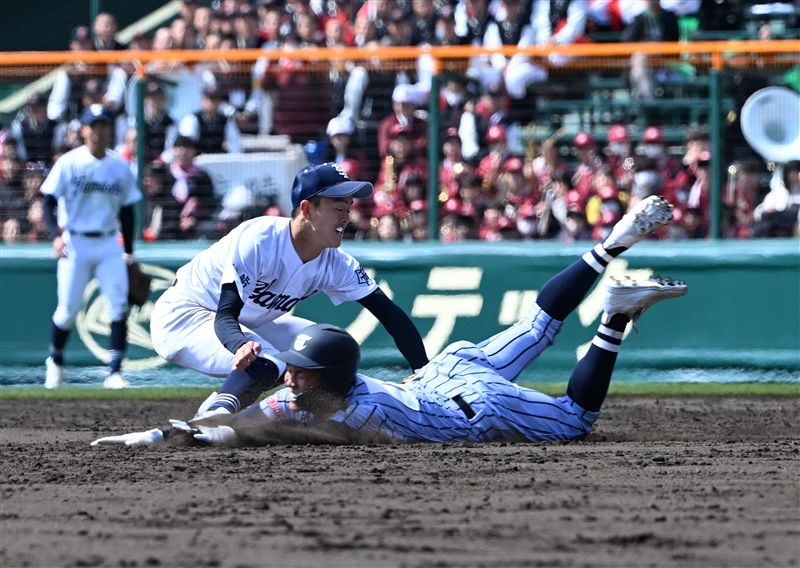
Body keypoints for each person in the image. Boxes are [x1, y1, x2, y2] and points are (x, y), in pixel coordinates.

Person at [92, 195, 684, 447]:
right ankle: (607, 249)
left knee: (576, 420)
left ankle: (610, 321)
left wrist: (163, 436)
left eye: (300, 370)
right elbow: (230, 426)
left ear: (327, 379)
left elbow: (232, 431)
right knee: (540, 325)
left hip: (474, 406)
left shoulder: (346, 409)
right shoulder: (332, 390)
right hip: (443, 372)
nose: (290, 376)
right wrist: (157, 435)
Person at [148, 162, 429, 420]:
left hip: (245, 322)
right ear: (307, 209)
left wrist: (423, 373)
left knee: (325, 351)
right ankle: (214, 414)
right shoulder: (260, 239)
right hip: (184, 317)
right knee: (268, 360)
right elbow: (225, 316)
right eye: (338, 207)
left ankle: (318, 419)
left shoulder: (335, 261)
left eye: (349, 206)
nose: (347, 216)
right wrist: (239, 345)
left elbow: (390, 315)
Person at [40, 105, 142, 389]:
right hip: (75, 242)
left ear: (111, 129)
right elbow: (47, 200)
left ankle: (114, 371)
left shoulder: (119, 166)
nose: (98, 131)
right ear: (83, 130)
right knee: (67, 311)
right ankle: (55, 361)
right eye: (93, 125)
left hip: (109, 242)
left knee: (118, 306)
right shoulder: (69, 163)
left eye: (103, 125)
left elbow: (128, 211)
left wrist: (129, 252)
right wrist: (54, 235)